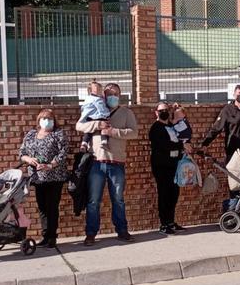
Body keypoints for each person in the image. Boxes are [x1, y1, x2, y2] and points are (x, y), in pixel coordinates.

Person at [75, 83, 138, 246]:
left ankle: (122, 231)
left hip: (117, 163)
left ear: (120, 95)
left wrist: (113, 132)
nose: (112, 96)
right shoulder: (95, 108)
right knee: (93, 201)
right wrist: (98, 125)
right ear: (103, 95)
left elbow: (134, 132)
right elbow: (80, 126)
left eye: (115, 94)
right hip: (96, 162)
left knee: (118, 199)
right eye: (109, 94)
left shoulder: (126, 112)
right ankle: (91, 234)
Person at [19, 109, 68, 248]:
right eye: (44, 118)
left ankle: (52, 237)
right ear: (39, 120)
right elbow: (22, 152)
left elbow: (63, 153)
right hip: (37, 177)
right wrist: (28, 159)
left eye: (50, 118)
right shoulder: (31, 134)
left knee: (52, 207)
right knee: (42, 207)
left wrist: (51, 165)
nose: (47, 121)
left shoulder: (58, 134)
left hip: (54, 177)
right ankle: (45, 236)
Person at [149, 101, 190, 236]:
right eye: (161, 110)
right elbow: (164, 145)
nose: (164, 112)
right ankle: (164, 224)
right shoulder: (156, 128)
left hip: (174, 165)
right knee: (164, 194)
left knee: (174, 193)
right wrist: (181, 146)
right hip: (161, 166)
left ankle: (171, 222)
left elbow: (184, 129)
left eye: (166, 110)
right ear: (156, 113)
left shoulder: (172, 126)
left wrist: (177, 108)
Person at [201, 84, 240, 163]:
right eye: (239, 93)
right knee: (233, 174)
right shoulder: (227, 110)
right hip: (233, 151)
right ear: (234, 95)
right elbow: (216, 128)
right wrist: (205, 144)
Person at [79, 81, 111, 151]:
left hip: (89, 118)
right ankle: (104, 142)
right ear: (91, 90)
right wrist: (107, 115)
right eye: (97, 88)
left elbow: (83, 108)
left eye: (100, 88)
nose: (100, 89)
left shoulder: (88, 98)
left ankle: (84, 143)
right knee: (105, 126)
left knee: (88, 131)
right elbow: (101, 108)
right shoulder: (97, 99)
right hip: (97, 117)